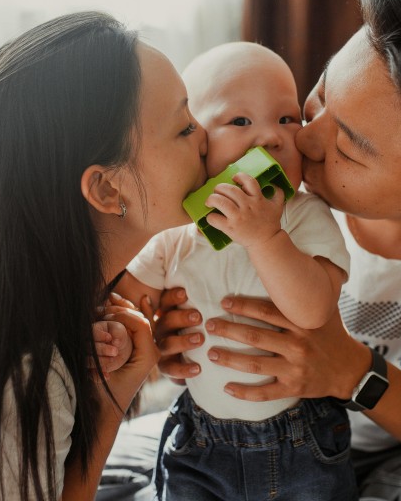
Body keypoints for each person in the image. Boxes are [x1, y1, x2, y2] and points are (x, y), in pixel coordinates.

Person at [111, 0, 401, 501]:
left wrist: (353, 372)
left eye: (350, 147)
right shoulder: (244, 197)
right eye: (316, 102)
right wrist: (166, 341)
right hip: (222, 436)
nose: (300, 139)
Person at [0, 11, 207, 501]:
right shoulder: (15, 374)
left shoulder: (30, 300)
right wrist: (110, 404)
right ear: (105, 187)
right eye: (184, 128)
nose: (209, 137)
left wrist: (119, 383)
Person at [108, 41, 353, 500]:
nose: (271, 137)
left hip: (300, 437)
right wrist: (128, 333)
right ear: (197, 141)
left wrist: (265, 237)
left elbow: (315, 307)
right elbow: (131, 300)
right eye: (240, 121)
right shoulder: (177, 230)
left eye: (286, 118)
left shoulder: (302, 216)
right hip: (202, 438)